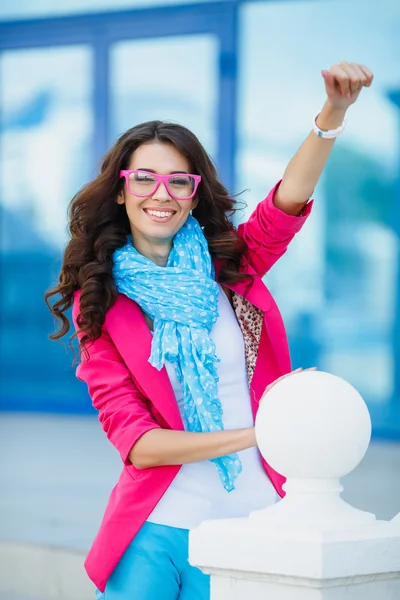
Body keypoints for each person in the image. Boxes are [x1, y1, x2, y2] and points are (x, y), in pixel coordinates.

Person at [45, 60, 373, 599]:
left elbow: (286, 203)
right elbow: (140, 444)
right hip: (154, 535)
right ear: (122, 191)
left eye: (180, 181)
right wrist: (267, 432)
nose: (161, 193)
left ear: (194, 196)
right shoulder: (99, 304)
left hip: (254, 527)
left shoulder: (232, 269)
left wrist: (332, 115)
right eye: (144, 178)